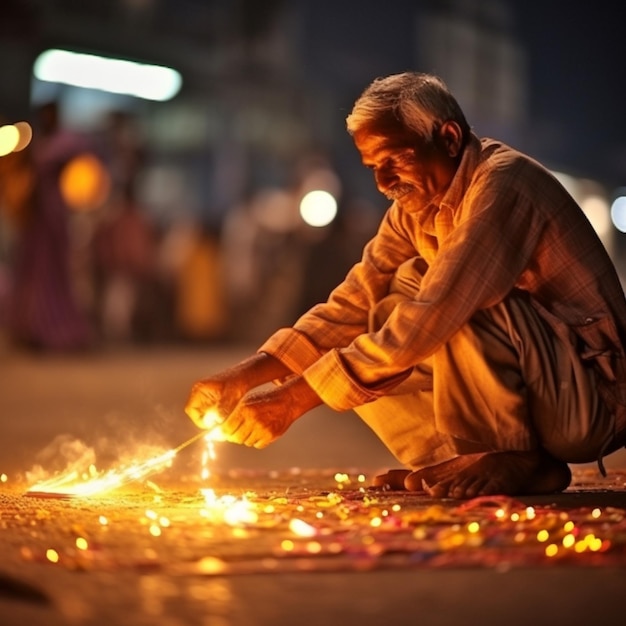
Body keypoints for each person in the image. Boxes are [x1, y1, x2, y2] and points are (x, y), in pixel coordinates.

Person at [185, 72, 626, 499]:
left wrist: (292, 400)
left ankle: (508, 455)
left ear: (449, 139)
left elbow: (436, 310)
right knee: (377, 312)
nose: (383, 182)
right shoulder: (417, 206)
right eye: (373, 167)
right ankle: (457, 456)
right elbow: (353, 303)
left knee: (425, 292)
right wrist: (246, 375)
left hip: (593, 399)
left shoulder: (503, 183)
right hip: (550, 386)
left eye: (394, 159)